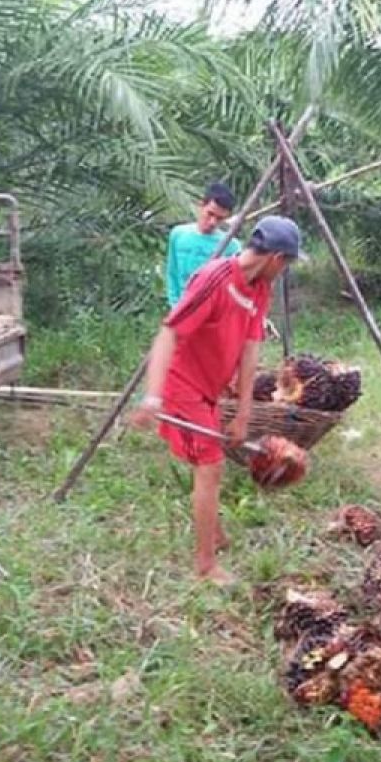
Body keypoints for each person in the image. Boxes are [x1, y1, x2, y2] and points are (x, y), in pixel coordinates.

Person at [131, 215, 306, 585]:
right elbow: (169, 333)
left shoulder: (260, 288)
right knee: (209, 466)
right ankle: (205, 566)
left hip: (210, 388)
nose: (285, 270)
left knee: (215, 462)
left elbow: (250, 349)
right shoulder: (214, 279)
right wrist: (152, 394)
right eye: (287, 263)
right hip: (183, 385)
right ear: (275, 257)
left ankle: (215, 532)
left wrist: (243, 411)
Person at [165, 181, 241, 308]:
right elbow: (172, 273)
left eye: (219, 218)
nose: (212, 222)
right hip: (180, 312)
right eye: (210, 214)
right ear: (202, 206)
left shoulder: (231, 246)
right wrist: (175, 306)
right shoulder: (178, 234)